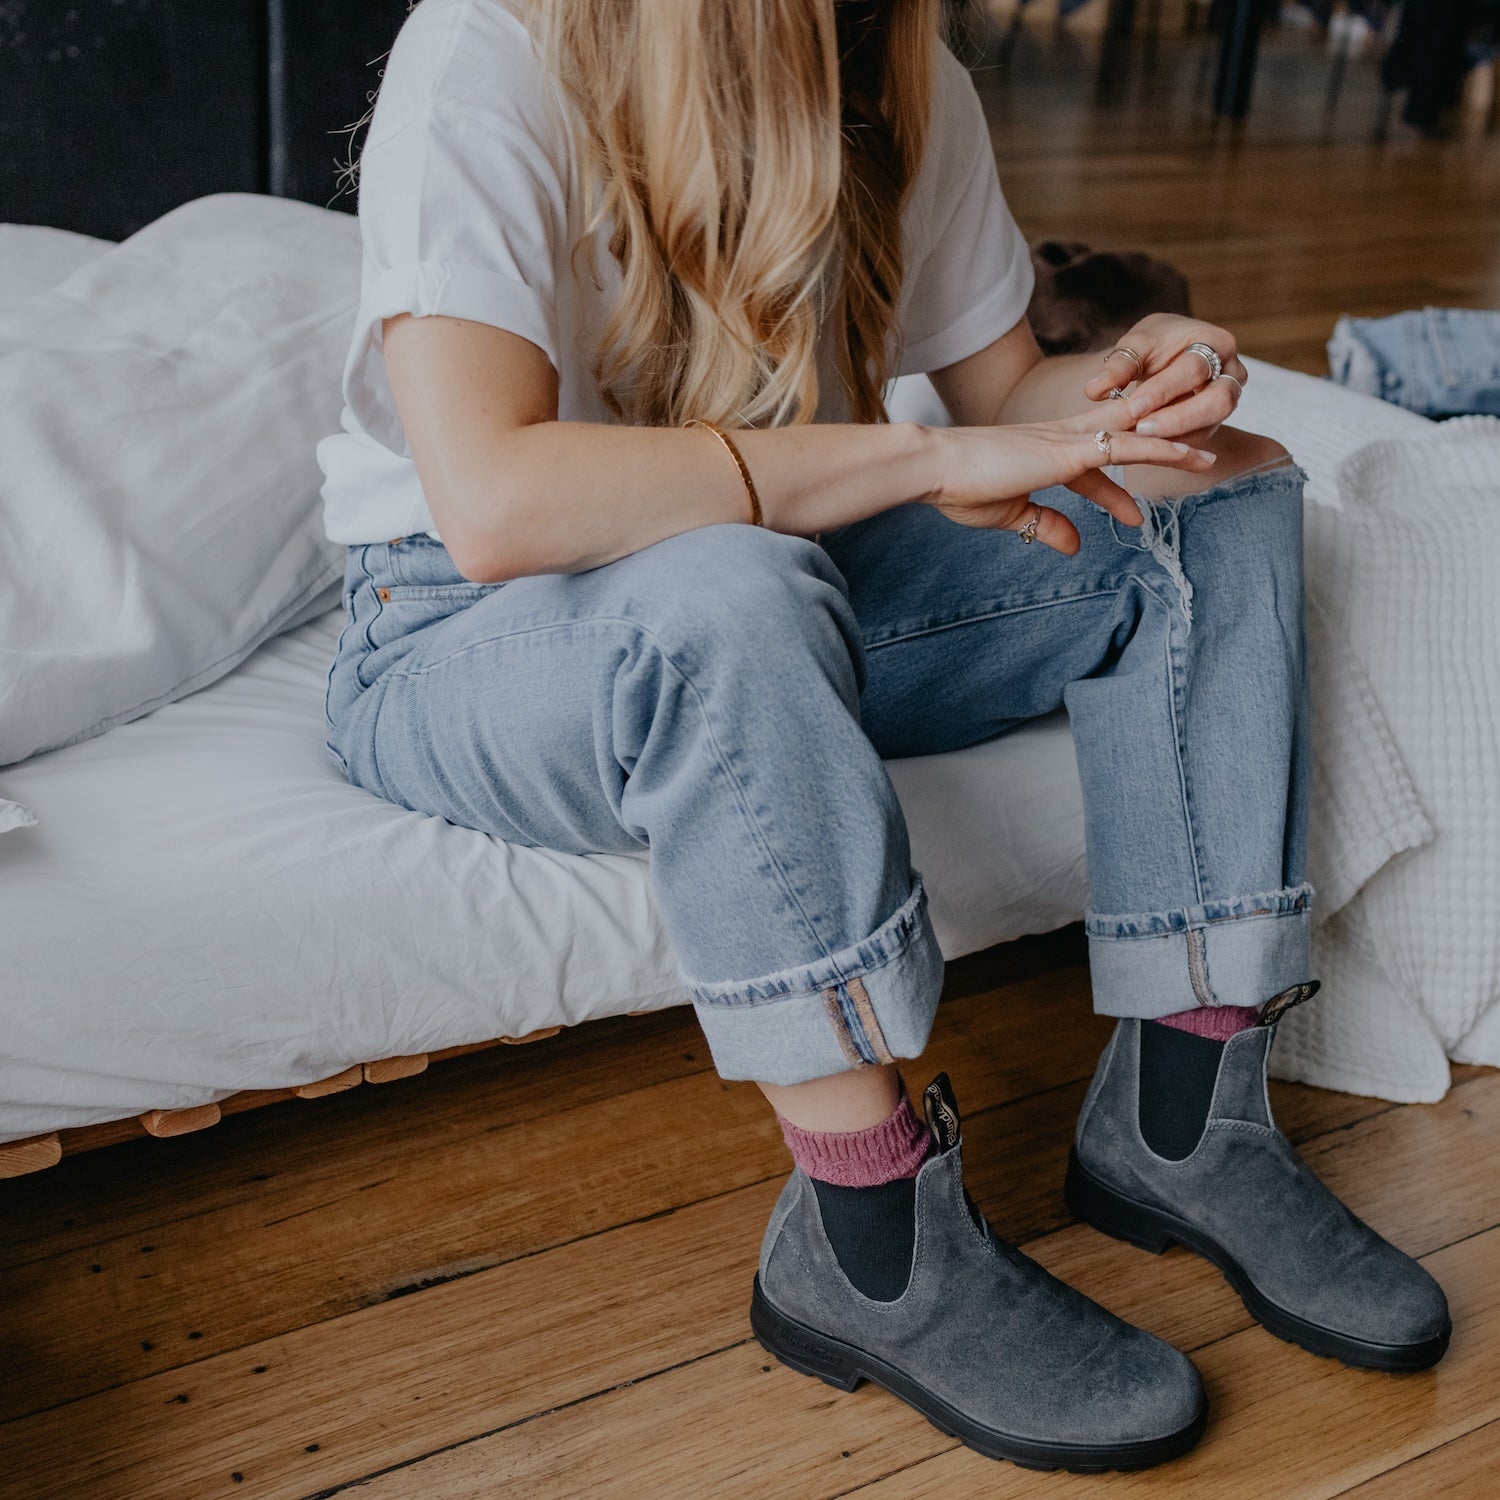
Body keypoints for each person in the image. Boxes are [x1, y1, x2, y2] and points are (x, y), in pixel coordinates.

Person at [317, 0, 1450, 1472]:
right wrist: (925, 457)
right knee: (729, 592)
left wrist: (1128, 386)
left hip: (796, 564)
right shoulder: (485, 55)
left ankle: (1185, 1120)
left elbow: (1004, 397)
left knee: (1216, 488)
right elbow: (494, 504)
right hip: (466, 634)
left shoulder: (900, 67)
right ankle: (868, 1239)